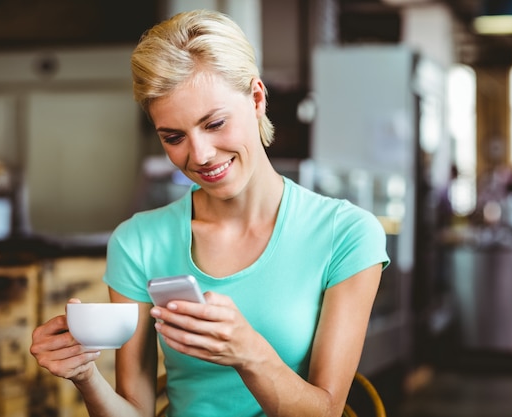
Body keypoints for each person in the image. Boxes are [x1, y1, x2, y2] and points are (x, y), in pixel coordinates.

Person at [30, 9, 389, 417]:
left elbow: (325, 412)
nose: (199, 155)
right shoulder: (139, 241)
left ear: (256, 98)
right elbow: (135, 410)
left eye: (215, 123)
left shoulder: (346, 234)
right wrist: (85, 376)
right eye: (174, 136)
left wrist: (248, 353)